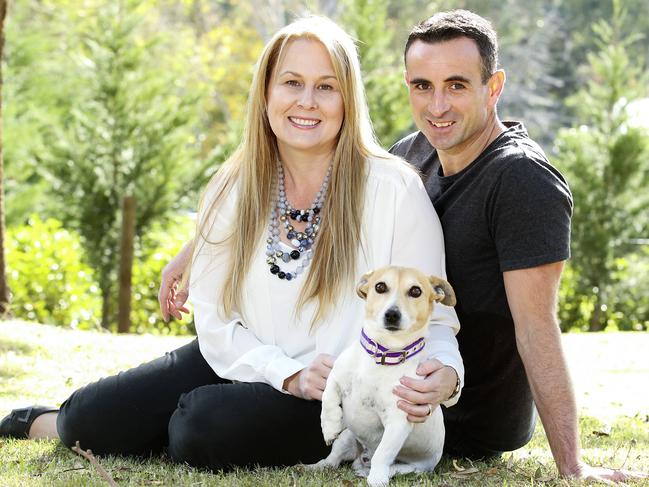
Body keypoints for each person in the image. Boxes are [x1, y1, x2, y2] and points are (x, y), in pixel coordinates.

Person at [159, 10, 647, 484]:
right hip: (381, 373)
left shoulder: (522, 182)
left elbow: (538, 326)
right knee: (150, 408)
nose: (437, 106)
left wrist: (572, 465)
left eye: (456, 85)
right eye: (422, 86)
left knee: (202, 423)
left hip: (449, 408)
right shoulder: (415, 152)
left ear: (493, 87)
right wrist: (196, 250)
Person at [0, 16, 463, 471]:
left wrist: (446, 374)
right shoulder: (234, 186)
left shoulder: (393, 190)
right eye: (291, 82)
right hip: (247, 360)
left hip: (338, 392)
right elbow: (216, 321)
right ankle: (45, 421)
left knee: (200, 427)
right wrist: (285, 373)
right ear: (266, 93)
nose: (307, 101)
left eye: (326, 86)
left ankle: (175, 432)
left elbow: (435, 317)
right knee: (86, 417)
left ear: (348, 99)